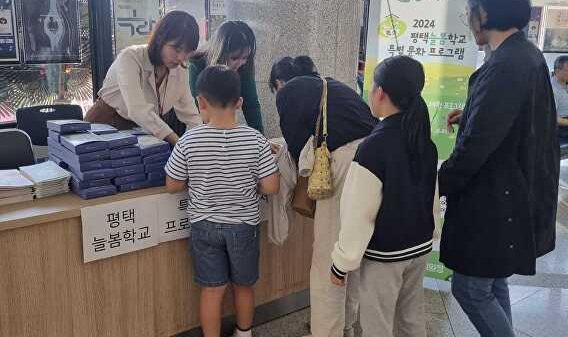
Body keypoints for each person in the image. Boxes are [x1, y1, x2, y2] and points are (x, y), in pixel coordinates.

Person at [440, 0, 559, 337]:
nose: (469, 21)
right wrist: (472, 113)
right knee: (492, 284)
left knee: (470, 290)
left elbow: (478, 147)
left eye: (469, 12)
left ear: (485, 14)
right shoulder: (524, 55)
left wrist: (438, 181)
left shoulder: (506, 65)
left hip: (493, 200)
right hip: (511, 195)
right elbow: (513, 123)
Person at [165, 65, 280, 337]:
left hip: (203, 225)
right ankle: (243, 333)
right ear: (240, 103)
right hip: (244, 226)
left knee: (212, 289)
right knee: (243, 286)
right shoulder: (255, 140)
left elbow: (173, 185)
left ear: (200, 102)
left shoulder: (189, 140)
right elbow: (271, 187)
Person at [270, 56, 378, 337]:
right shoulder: (331, 85)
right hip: (373, 162)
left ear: (278, 84)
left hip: (341, 167)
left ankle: (326, 332)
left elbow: (299, 152)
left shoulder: (287, 93)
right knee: (351, 251)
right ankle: (346, 324)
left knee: (328, 256)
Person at [330, 56, 437, 337]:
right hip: (419, 246)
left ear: (380, 92)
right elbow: (432, 196)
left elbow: (358, 213)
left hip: (385, 256)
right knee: (411, 319)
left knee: (377, 325)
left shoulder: (373, 147)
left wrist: (342, 262)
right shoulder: (423, 139)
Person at [85, 11, 202, 145]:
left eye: (187, 52)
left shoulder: (180, 70)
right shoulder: (130, 57)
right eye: (176, 49)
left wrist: (196, 145)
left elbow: (191, 115)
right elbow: (137, 109)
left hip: (142, 131)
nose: (181, 57)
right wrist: (177, 143)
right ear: (160, 39)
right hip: (105, 124)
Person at [189, 21, 264, 132]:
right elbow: (198, 110)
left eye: (245, 57)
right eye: (234, 58)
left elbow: (251, 104)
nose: (240, 63)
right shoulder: (196, 64)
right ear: (220, 51)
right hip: (195, 127)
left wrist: (260, 138)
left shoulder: (244, 67)